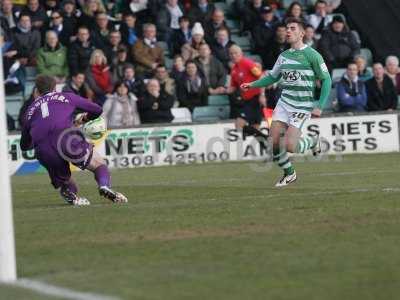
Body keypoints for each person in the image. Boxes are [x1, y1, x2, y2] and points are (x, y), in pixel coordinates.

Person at [241, 18, 332, 187]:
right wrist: (252, 84)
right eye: (287, 28)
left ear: (302, 33)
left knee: (290, 146)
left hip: (302, 106)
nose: (288, 31)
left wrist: (319, 105)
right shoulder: (283, 56)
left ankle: (312, 141)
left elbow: (326, 80)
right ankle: (289, 174)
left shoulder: (312, 55)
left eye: (292, 28)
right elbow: (273, 77)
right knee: (273, 142)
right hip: (284, 104)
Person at [19, 75, 128, 205]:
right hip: (65, 139)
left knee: (66, 182)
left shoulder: (29, 111)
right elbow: (97, 109)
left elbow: (24, 145)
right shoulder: (66, 96)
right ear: (55, 88)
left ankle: (72, 196)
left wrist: (38, 140)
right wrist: (84, 119)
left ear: (36, 91)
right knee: (98, 164)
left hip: (43, 149)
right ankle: (104, 186)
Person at [227, 45, 267, 140]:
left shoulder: (247, 63)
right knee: (254, 129)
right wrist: (226, 89)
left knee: (239, 124)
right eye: (231, 54)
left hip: (255, 98)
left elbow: (261, 77)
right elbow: (233, 87)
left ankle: (268, 140)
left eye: (235, 53)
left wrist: (262, 95)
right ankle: (270, 144)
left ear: (241, 54)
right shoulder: (234, 70)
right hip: (246, 100)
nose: (233, 55)